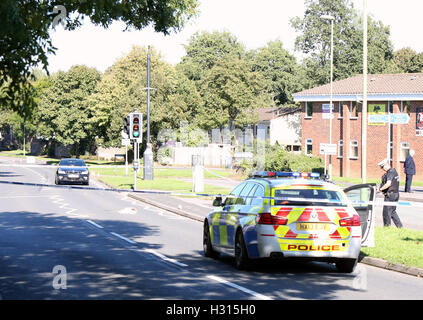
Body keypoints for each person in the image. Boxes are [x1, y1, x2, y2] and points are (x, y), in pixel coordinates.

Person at [376, 159, 403, 228]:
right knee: (392, 212)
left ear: (386, 165)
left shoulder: (390, 173)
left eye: (382, 167)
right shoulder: (394, 171)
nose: (382, 169)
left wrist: (380, 189)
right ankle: (400, 227)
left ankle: (387, 228)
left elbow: (388, 184)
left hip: (390, 195)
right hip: (395, 194)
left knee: (386, 213)